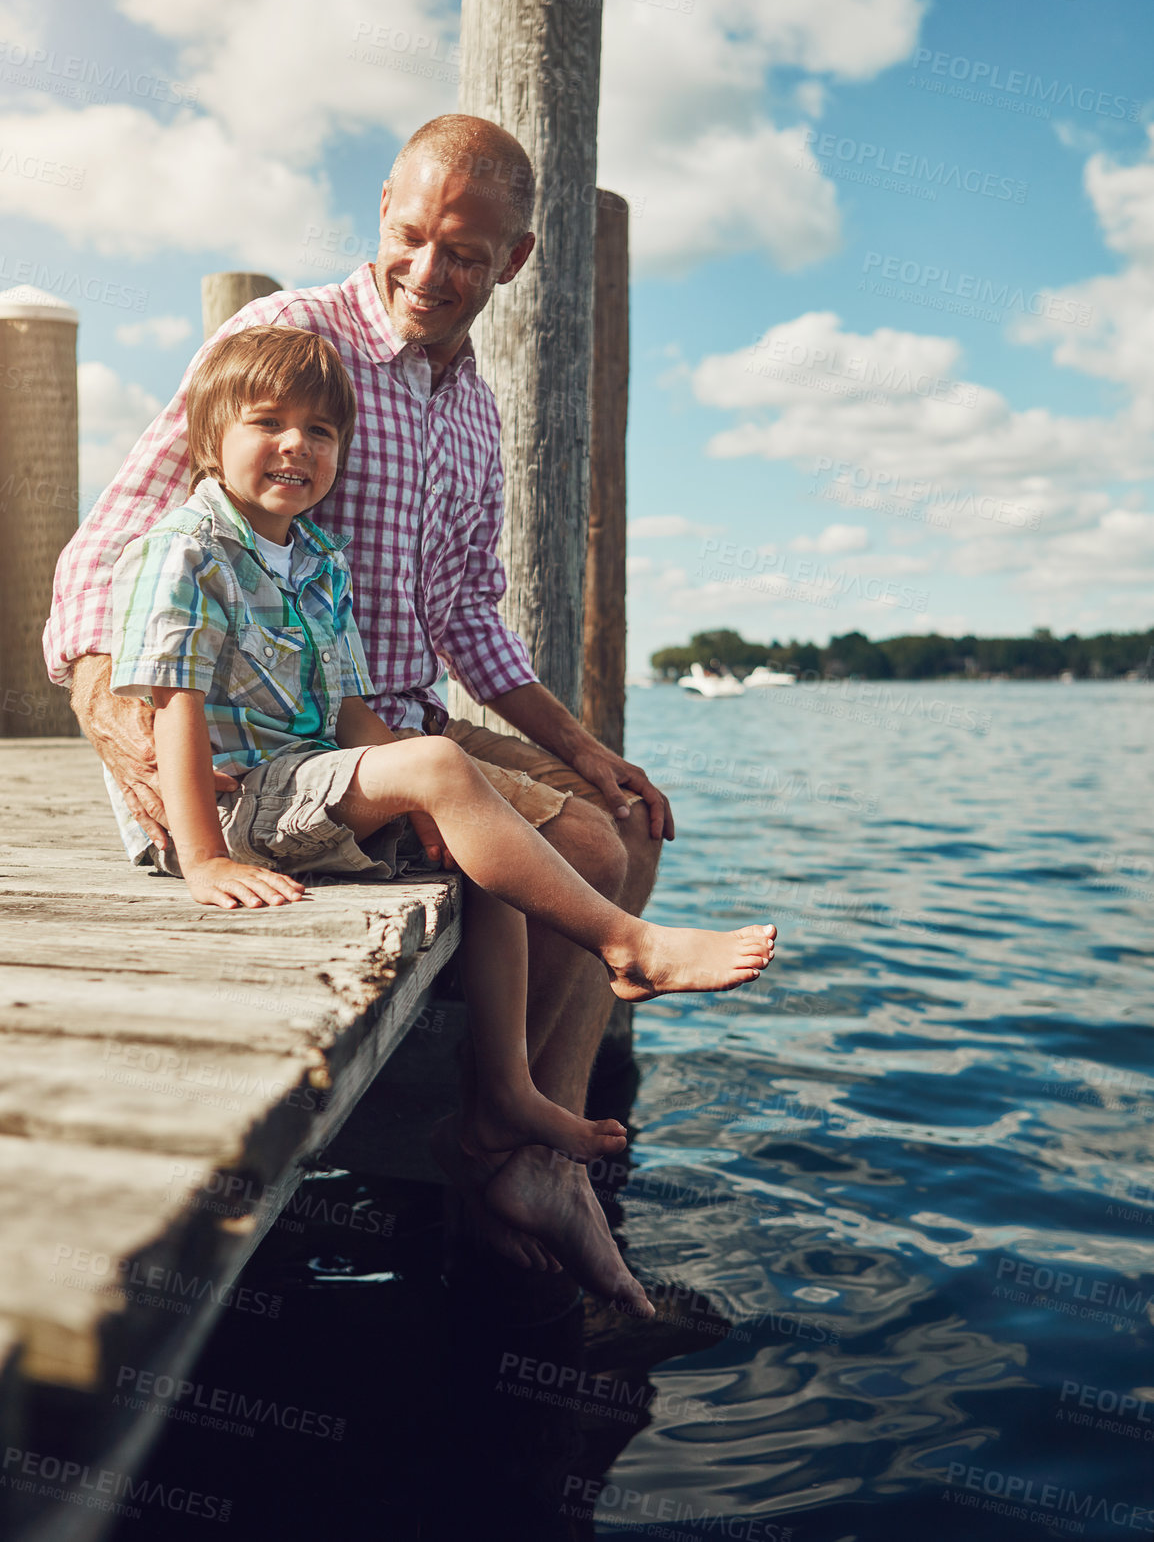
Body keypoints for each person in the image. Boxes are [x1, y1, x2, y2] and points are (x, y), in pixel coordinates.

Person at [43, 112, 707, 1306]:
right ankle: (515, 1150)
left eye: (464, 251)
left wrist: (586, 747)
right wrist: (111, 709)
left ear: (512, 259)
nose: (428, 270)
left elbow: (469, 624)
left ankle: (522, 1142)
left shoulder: (474, 409)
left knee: (629, 819)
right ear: (382, 215)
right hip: (290, 743)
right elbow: (108, 547)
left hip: (387, 716)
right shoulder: (286, 340)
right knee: (590, 847)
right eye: (410, 234)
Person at [108, 324, 775, 1312]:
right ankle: (629, 944)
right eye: (267, 424)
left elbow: (347, 711)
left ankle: (504, 1089)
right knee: (445, 771)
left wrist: (420, 786)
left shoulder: (319, 559)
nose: (295, 446)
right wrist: (199, 859)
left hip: (309, 780)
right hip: (235, 802)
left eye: (320, 432)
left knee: (483, 831)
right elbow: (173, 705)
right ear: (210, 441)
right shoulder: (188, 551)